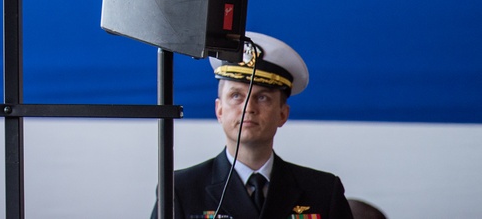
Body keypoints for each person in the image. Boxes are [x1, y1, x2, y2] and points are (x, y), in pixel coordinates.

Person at [151, 32, 354, 219]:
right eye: (236, 95)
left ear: (283, 114)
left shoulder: (323, 191)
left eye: (263, 97)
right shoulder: (180, 189)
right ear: (219, 110)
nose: (249, 108)